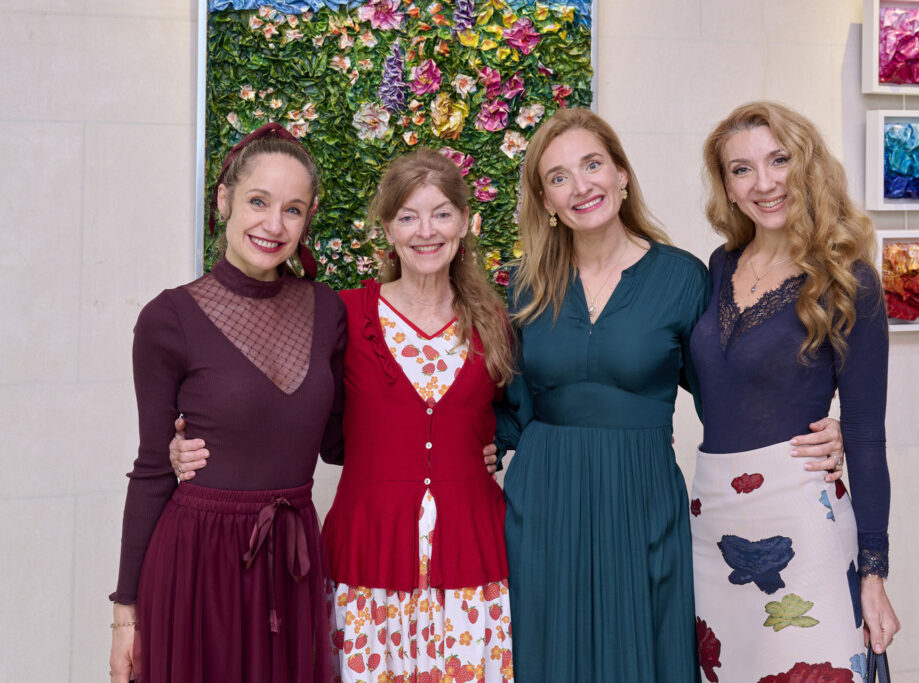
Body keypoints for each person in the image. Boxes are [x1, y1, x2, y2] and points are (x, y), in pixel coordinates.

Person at [493, 107, 845, 683]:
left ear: (621, 174)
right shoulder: (524, 283)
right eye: (558, 177)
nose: (580, 186)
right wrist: (478, 444)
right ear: (545, 200)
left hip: (641, 498)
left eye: (592, 165)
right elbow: (507, 397)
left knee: (643, 655)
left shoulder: (684, 278)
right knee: (546, 654)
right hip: (544, 498)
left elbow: (728, 390)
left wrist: (822, 428)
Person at [173, 149, 516, 682]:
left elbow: (533, 405)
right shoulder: (344, 314)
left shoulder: (496, 319)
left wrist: (503, 439)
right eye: (408, 216)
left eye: (442, 214)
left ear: (465, 222)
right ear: (388, 229)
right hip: (367, 562)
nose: (426, 231)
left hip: (471, 566)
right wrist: (191, 446)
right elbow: (288, 406)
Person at [109, 123, 346, 683]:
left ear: (308, 218)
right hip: (197, 566)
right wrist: (125, 618)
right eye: (258, 201)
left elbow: (341, 443)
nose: (274, 224)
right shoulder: (169, 318)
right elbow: (152, 470)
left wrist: (464, 438)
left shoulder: (328, 311)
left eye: (292, 209)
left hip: (292, 566)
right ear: (224, 201)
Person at [688, 101, 899, 682]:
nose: (764, 183)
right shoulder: (719, 266)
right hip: (713, 520)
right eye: (742, 169)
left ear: (807, 165)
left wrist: (873, 573)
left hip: (802, 521)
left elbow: (866, 432)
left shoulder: (850, 279)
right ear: (727, 188)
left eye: (778, 160)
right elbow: (714, 378)